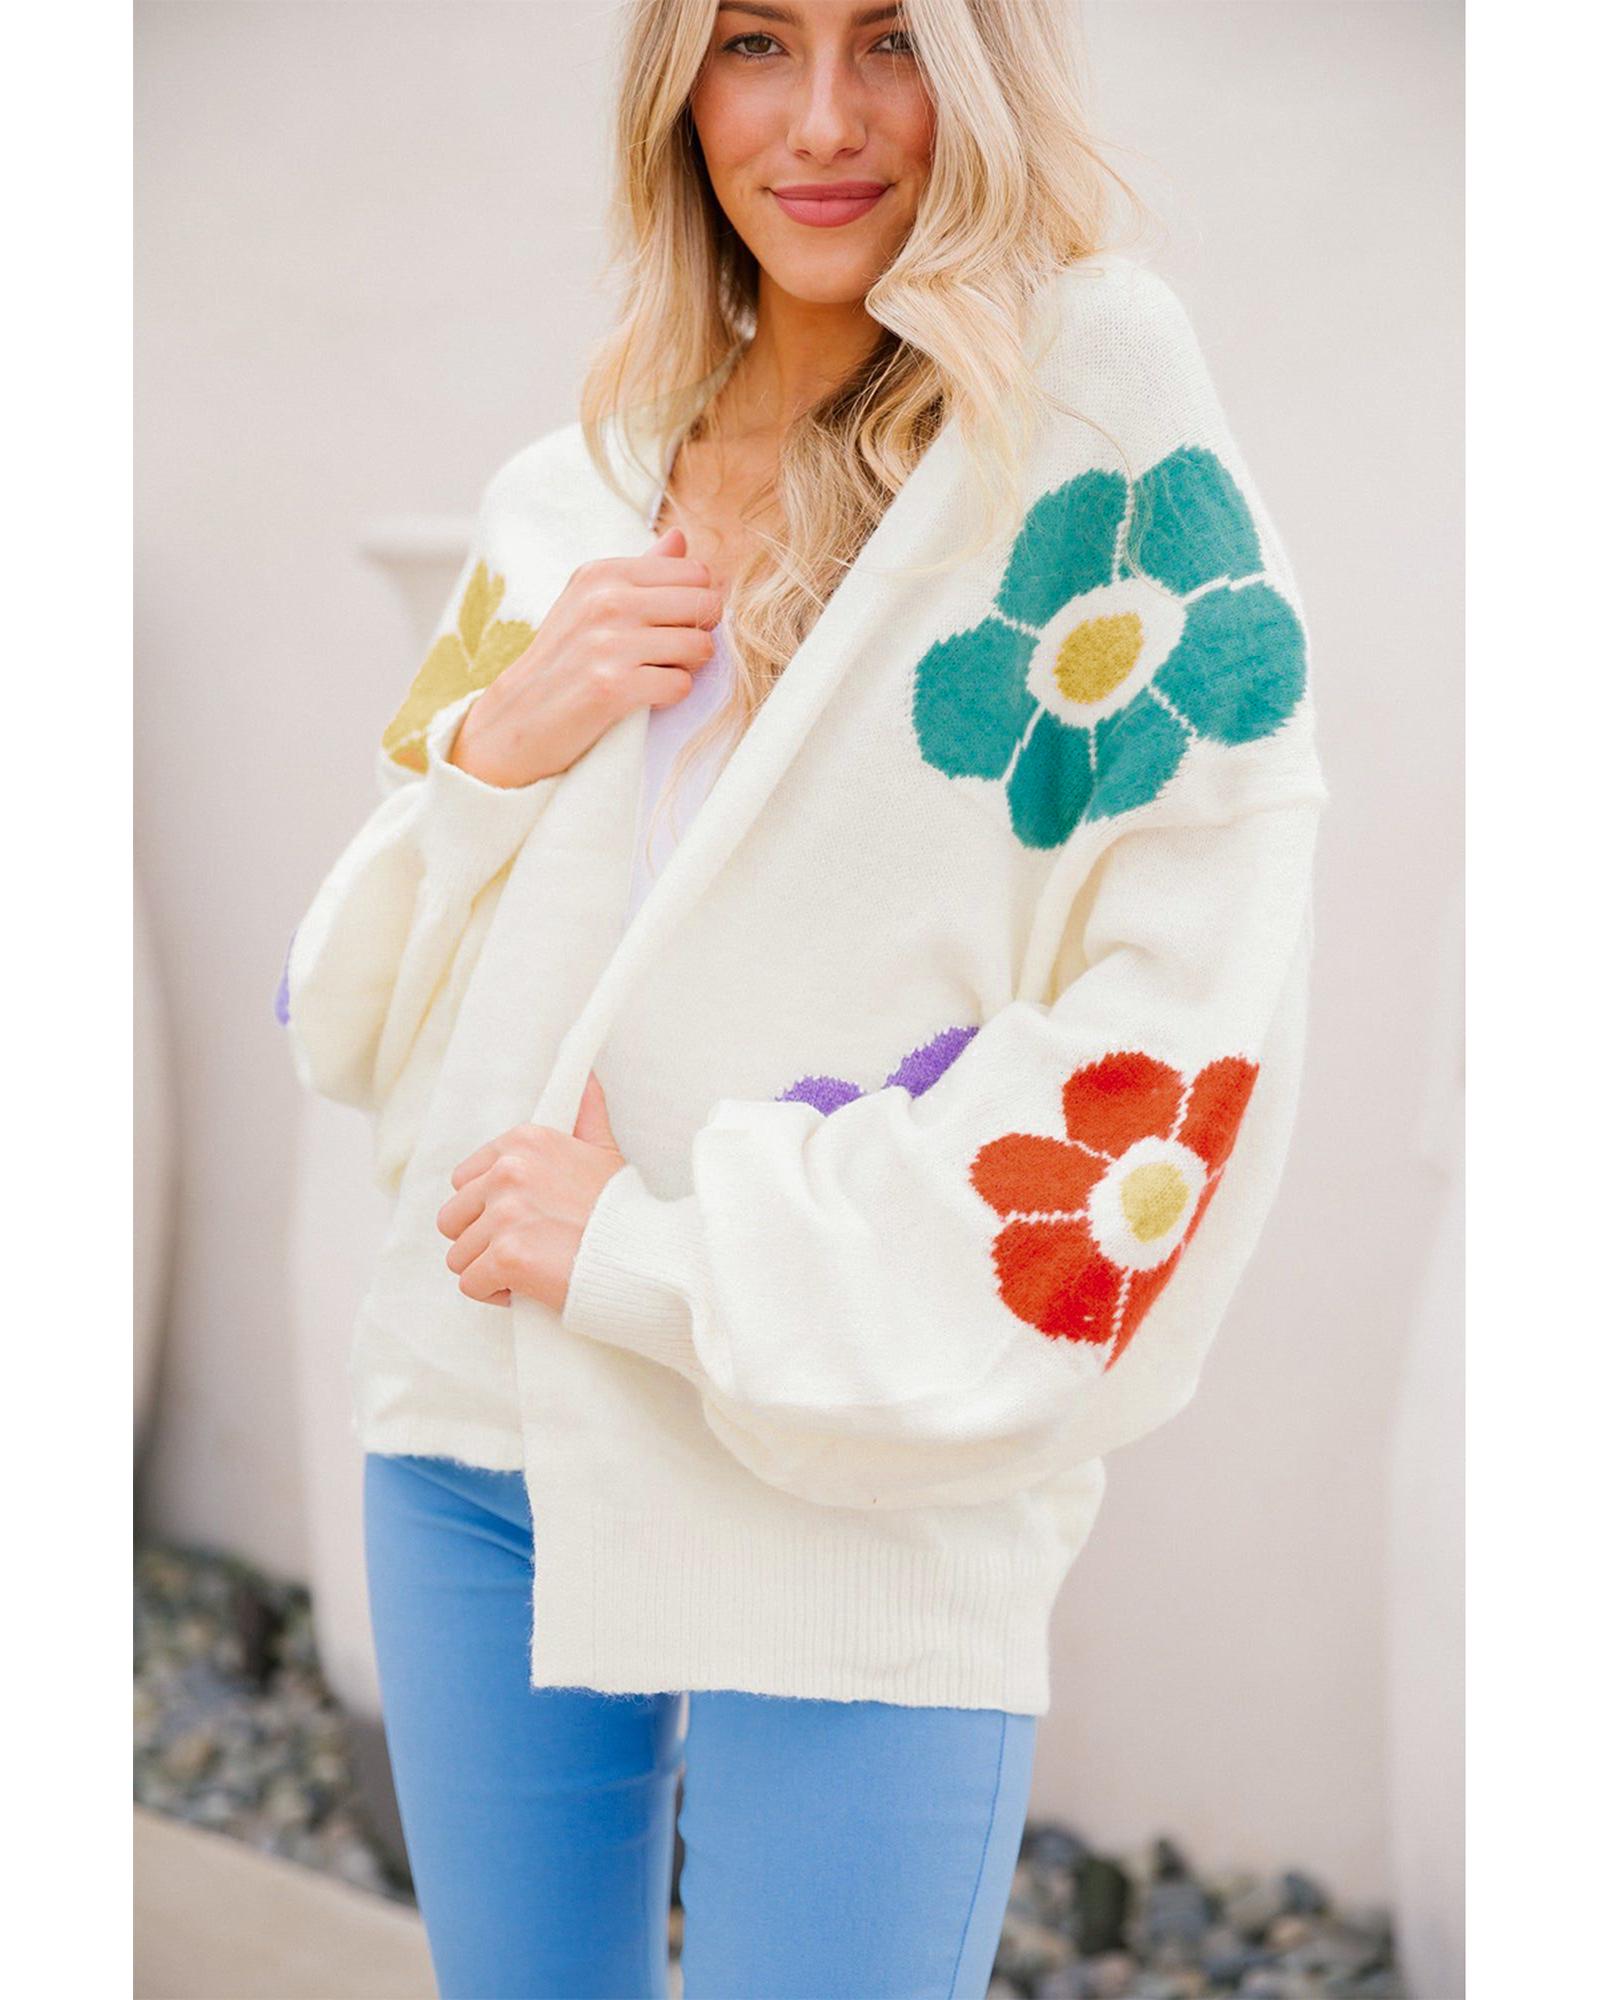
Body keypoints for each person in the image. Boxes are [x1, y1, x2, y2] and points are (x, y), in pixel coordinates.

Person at [279, 2, 1329, 1994]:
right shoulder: (576, 485)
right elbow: (342, 1012)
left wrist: (649, 1251)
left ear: (984, 66)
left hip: (855, 1471)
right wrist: (499, 744)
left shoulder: (1088, 437)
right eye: (756, 40)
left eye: (890, 39)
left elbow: (1178, 1034)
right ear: (677, 86)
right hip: (478, 1426)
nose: (823, 120)